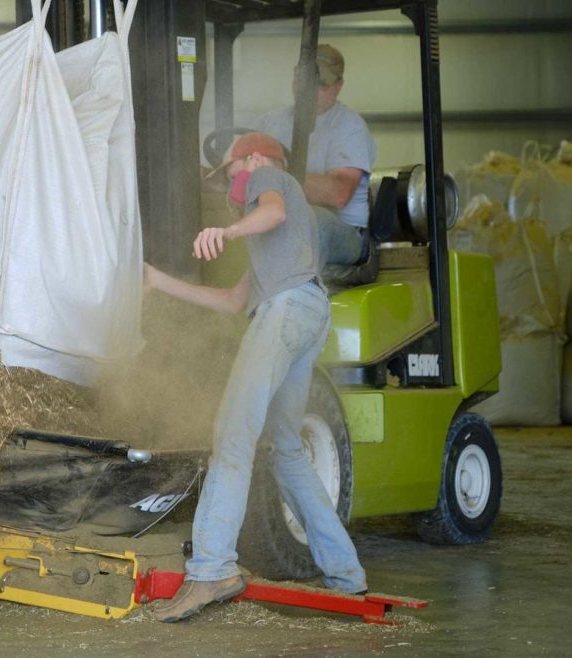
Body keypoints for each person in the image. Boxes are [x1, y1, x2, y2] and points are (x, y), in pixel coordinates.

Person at [146, 133, 366, 623]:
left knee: (232, 434)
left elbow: (271, 212)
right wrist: (159, 282)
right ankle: (346, 574)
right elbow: (230, 302)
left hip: (285, 312)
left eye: (229, 174)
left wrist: (227, 232)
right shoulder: (285, 241)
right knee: (286, 449)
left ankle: (211, 569)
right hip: (306, 312)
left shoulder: (270, 179)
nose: (230, 187)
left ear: (253, 159)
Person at [250, 44, 377, 270]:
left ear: (338, 86)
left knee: (310, 221)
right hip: (286, 222)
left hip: (344, 233)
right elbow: (239, 169)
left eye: (319, 84)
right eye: (303, 81)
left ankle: (292, 297)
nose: (308, 90)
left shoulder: (348, 126)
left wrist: (273, 174)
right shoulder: (270, 122)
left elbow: (338, 194)